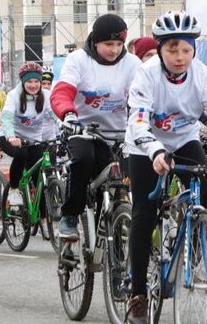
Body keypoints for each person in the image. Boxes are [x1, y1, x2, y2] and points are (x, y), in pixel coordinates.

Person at [125, 12, 207, 324]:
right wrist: (154, 150)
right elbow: (138, 120)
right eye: (172, 50)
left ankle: (190, 250)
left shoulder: (202, 74)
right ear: (161, 49)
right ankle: (137, 294)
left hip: (184, 138)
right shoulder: (146, 75)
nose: (180, 57)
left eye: (186, 50)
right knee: (144, 212)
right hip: (144, 146)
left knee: (206, 189)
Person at [50, 14, 141, 243]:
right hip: (82, 130)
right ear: (96, 41)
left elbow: (141, 97)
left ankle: (119, 253)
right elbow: (62, 92)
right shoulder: (78, 60)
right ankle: (70, 216)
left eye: (119, 45)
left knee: (127, 181)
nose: (114, 50)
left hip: (119, 135)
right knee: (82, 160)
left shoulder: (132, 64)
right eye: (109, 44)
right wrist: (68, 114)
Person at [0, 61, 59, 190]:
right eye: (29, 82)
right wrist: (10, 137)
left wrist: (66, 127)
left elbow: (55, 115)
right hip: (10, 137)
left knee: (40, 183)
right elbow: (6, 118)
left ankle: (44, 209)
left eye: (36, 81)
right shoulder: (13, 95)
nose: (33, 85)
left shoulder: (46, 95)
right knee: (22, 153)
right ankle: (14, 190)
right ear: (23, 82)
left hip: (34, 139)